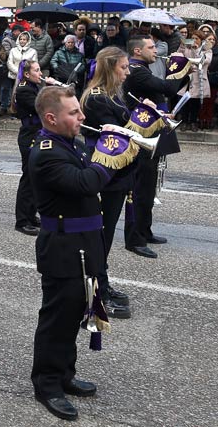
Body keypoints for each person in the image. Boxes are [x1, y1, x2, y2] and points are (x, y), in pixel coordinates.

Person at [29, 86, 129, 422]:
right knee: (56, 320)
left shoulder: (72, 143)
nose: (82, 117)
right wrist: (108, 156)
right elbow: (85, 183)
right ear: (51, 118)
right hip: (63, 249)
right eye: (74, 113)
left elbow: (103, 183)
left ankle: (64, 373)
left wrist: (132, 144)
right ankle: (47, 383)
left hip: (87, 245)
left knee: (76, 315)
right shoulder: (45, 152)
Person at [78, 46, 137, 319]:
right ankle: (96, 287)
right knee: (101, 235)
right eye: (123, 67)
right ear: (110, 67)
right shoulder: (98, 98)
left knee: (107, 234)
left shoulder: (113, 95)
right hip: (106, 173)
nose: (127, 72)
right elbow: (121, 136)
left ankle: (101, 282)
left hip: (118, 174)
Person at [123, 35, 186, 259]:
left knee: (149, 186)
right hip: (142, 135)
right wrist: (181, 66)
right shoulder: (137, 71)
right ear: (138, 51)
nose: (155, 51)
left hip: (151, 131)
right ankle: (136, 238)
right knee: (142, 188)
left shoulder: (142, 69)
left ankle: (145, 231)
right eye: (150, 48)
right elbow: (168, 88)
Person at [11, 60, 45, 237]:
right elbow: (41, 107)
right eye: (37, 70)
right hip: (29, 136)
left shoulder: (32, 85)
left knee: (36, 178)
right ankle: (22, 220)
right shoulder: (25, 89)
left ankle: (31, 215)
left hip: (36, 134)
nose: (40, 73)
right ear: (26, 74)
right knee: (28, 179)